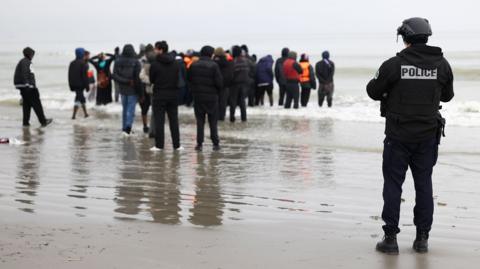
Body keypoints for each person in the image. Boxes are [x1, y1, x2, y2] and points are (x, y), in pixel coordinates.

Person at [367, 17, 454, 255]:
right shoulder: (442, 64)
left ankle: (391, 239)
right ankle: (422, 239)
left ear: (405, 38)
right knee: (424, 184)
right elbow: (448, 96)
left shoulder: (394, 64)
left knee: (394, 185)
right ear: (427, 36)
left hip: (398, 136)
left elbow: (372, 91)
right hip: (427, 137)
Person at [188, 45, 223, 151]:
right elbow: (219, 83)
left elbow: (189, 80)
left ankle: (199, 144)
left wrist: (194, 91)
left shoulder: (194, 65)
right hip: (212, 97)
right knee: (213, 121)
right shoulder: (214, 66)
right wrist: (217, 92)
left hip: (198, 97)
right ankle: (215, 143)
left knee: (200, 121)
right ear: (210, 54)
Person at [149, 41, 182, 150]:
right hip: (173, 95)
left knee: (159, 121)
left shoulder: (154, 64)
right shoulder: (176, 63)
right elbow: (178, 78)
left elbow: (151, 80)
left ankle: (159, 146)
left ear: (160, 50)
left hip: (159, 95)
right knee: (174, 121)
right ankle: (177, 146)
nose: (154, 50)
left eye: (155, 49)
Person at [13, 47, 53, 127]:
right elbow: (25, 73)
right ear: (30, 54)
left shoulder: (23, 61)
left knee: (27, 104)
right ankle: (43, 121)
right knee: (36, 103)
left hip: (22, 86)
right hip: (28, 86)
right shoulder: (27, 62)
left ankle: (25, 122)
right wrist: (28, 84)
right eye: (32, 54)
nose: (33, 56)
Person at [112, 44, 142, 135]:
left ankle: (124, 128)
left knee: (125, 109)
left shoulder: (117, 61)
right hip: (133, 89)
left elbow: (114, 75)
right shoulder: (136, 62)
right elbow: (138, 78)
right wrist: (141, 93)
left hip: (122, 88)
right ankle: (128, 127)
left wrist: (125, 81)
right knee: (131, 109)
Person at [229, 45, 251, 122]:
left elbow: (231, 74)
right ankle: (244, 118)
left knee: (233, 101)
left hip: (235, 84)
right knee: (242, 102)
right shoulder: (246, 61)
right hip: (245, 84)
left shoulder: (233, 62)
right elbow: (250, 71)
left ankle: (232, 117)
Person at [68, 47, 90, 119]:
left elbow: (69, 75)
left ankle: (77, 115)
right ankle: (84, 114)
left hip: (74, 85)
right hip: (80, 85)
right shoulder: (84, 64)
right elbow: (85, 77)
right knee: (81, 98)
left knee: (78, 98)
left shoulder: (72, 63)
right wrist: (87, 87)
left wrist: (70, 86)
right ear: (82, 54)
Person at [213, 47, 234, 121]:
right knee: (223, 103)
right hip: (225, 85)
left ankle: (215, 117)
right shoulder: (228, 61)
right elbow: (231, 74)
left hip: (214, 85)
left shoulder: (213, 61)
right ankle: (222, 117)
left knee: (215, 102)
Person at [138, 44, 155, 134]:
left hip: (143, 87)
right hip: (148, 87)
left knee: (144, 109)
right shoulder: (147, 60)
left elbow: (139, 77)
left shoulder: (141, 60)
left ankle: (146, 126)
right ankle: (149, 127)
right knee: (152, 108)